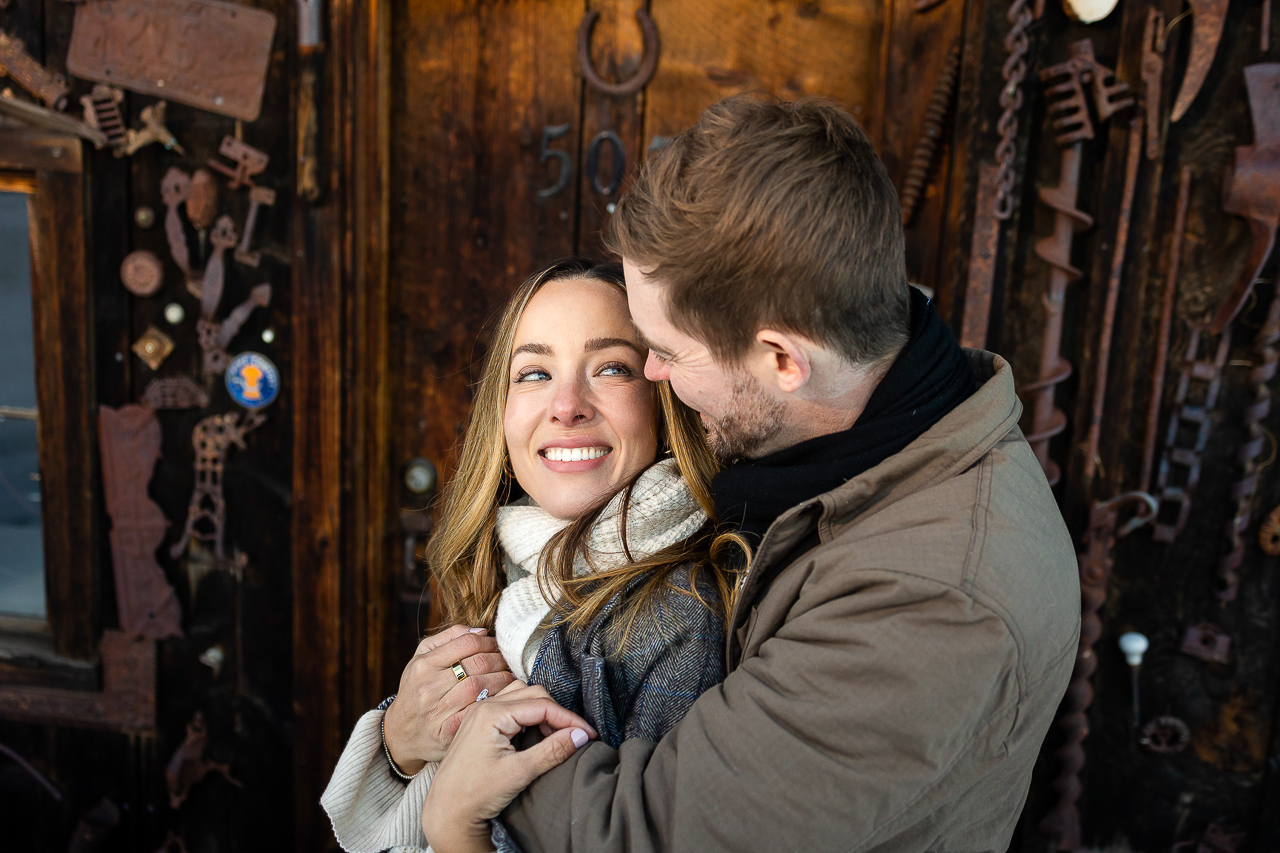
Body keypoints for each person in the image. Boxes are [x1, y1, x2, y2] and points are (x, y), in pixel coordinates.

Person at [419, 94, 1082, 853]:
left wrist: (463, 748)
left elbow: (664, 832)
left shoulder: (933, 600)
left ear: (781, 360)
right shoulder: (848, 424)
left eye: (664, 350)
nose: (657, 375)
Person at [321, 259, 743, 851]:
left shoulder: (676, 619)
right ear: (502, 407)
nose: (566, 404)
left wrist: (454, 828)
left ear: (664, 402)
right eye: (535, 373)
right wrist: (401, 746)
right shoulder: (513, 570)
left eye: (613, 368)